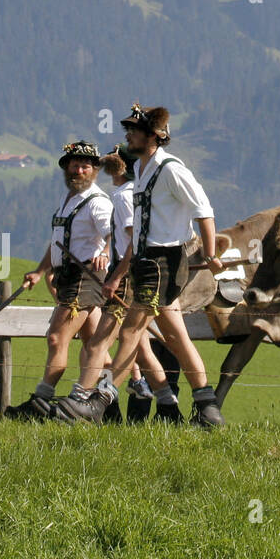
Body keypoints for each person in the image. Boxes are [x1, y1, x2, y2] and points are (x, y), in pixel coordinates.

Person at [58, 104, 225, 426]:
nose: (127, 135)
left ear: (153, 136)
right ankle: (207, 406)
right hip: (147, 260)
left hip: (164, 261)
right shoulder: (145, 171)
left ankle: (101, 398)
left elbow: (203, 209)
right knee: (176, 337)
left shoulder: (172, 169)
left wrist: (209, 253)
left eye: (134, 130)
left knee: (132, 329)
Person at [3, 141, 114, 421]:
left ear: (95, 170)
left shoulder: (98, 202)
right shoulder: (69, 201)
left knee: (56, 338)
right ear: (66, 168)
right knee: (93, 344)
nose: (78, 170)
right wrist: (40, 272)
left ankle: (41, 401)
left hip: (85, 277)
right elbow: (57, 243)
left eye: (85, 165)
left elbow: (114, 233)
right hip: (68, 277)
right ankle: (109, 407)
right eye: (74, 165)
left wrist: (105, 251)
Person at [99, 146, 174, 423]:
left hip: (126, 275)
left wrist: (117, 276)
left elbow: (133, 241)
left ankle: (92, 397)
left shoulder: (122, 196)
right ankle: (165, 401)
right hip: (131, 272)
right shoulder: (134, 193)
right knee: (139, 345)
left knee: (97, 344)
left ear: (118, 168)